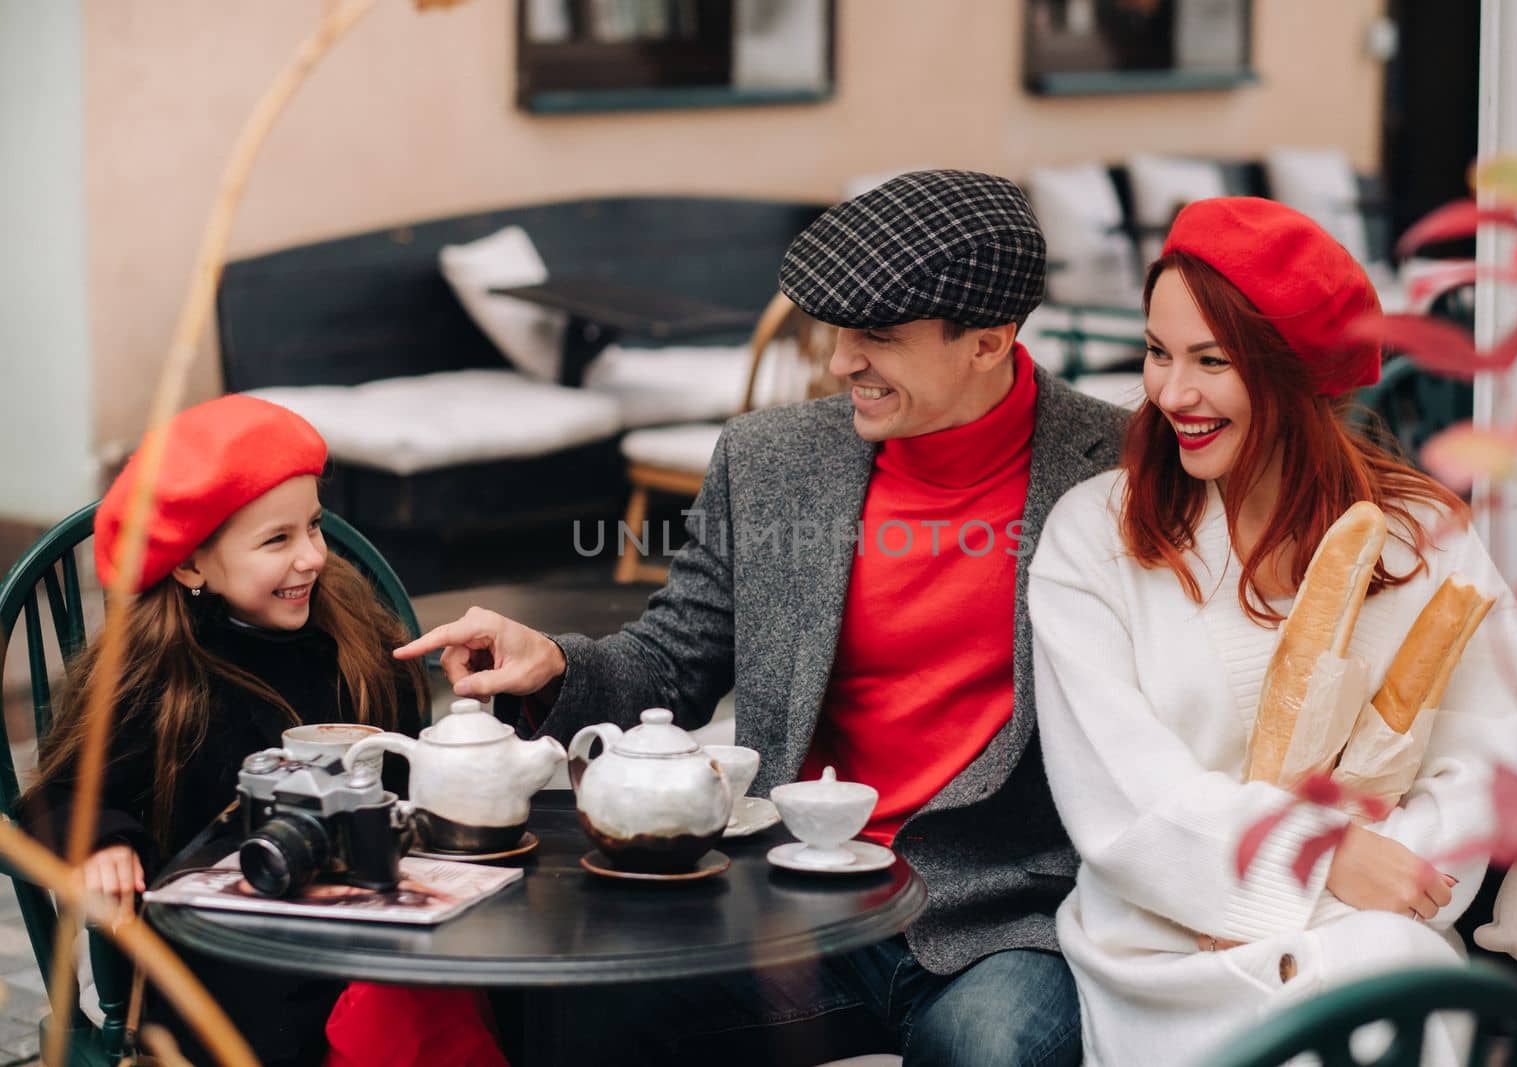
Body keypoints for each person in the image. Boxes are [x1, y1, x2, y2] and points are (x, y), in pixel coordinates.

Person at [396, 169, 1130, 1065]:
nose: (840, 362)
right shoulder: (772, 458)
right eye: (838, 332)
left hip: (1008, 916)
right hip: (798, 896)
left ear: (989, 341)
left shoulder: (1122, 472)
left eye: (878, 338)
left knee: (990, 1052)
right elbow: (673, 661)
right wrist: (552, 659)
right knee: (567, 1017)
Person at [1026, 197, 1517, 1066]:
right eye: (1157, 351)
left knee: (1387, 986)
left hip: (1377, 932)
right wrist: (1317, 861)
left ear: (1296, 372)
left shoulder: (1423, 539)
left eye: (1211, 360)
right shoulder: (1092, 536)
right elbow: (1123, 794)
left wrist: (1338, 886)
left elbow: (1483, 758)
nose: (1170, 392)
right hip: (1168, 951)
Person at [19, 395, 497, 1067]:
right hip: (229, 975)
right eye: (277, 539)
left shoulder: (351, 642)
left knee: (462, 985)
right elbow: (57, 797)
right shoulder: (155, 680)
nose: (312, 558)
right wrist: (101, 843)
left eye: (315, 526)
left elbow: (404, 776)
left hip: (367, 938)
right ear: (189, 564)